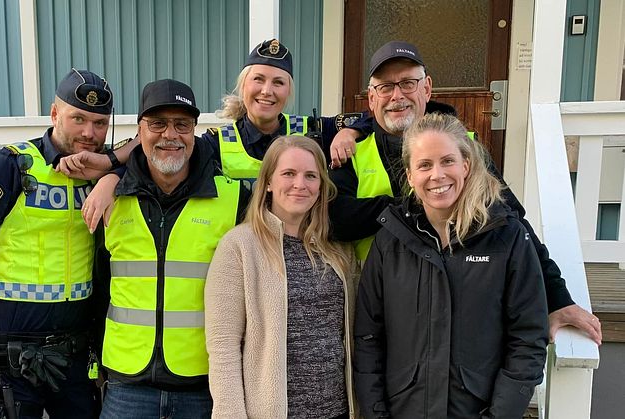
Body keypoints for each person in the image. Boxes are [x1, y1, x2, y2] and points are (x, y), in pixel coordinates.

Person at [329, 40, 602, 345]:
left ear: (427, 88)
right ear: (371, 97)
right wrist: (417, 202)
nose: (397, 96)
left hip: (459, 312)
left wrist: (558, 297)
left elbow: (512, 222)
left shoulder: (466, 147)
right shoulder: (350, 151)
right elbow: (337, 220)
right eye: (386, 87)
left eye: (408, 83)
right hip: (380, 313)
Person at [0, 68, 113, 418]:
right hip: (8, 361)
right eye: (77, 119)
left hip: (75, 356)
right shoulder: (9, 165)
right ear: (54, 115)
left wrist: (111, 173)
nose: (89, 133)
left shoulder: (104, 169)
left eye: (100, 123)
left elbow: (146, 147)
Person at [354, 113, 548, 418]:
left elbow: (528, 338)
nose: (437, 175)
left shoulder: (505, 237)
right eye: (425, 165)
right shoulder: (389, 241)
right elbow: (368, 338)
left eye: (447, 161)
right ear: (409, 176)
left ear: (466, 165)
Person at [56, 39, 364, 230]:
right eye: (258, 79)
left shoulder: (310, 131)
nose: (267, 91)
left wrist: (349, 131)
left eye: (279, 82)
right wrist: (112, 176)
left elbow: (366, 116)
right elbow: (162, 152)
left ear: (289, 90)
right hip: (241, 250)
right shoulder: (216, 141)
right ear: (243, 86)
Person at [97, 79, 249, 419]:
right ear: (139, 130)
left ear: (194, 131)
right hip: (127, 386)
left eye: (182, 124)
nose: (170, 134)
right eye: (157, 124)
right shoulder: (110, 199)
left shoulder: (234, 199)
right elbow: (95, 285)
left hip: (203, 385)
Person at [205, 136, 358, 418]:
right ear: (269, 183)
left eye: (311, 176)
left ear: (321, 186)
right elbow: (223, 347)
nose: (300, 184)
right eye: (288, 173)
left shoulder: (337, 249)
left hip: (337, 411)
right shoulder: (239, 246)